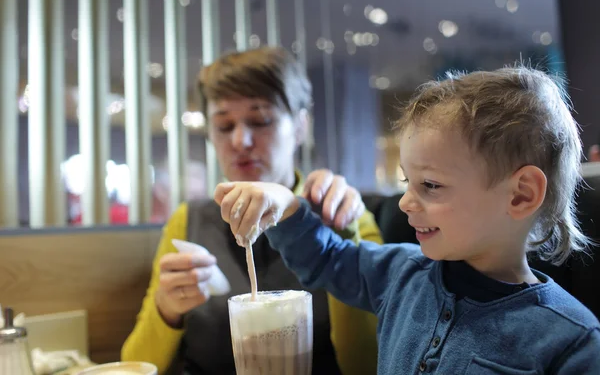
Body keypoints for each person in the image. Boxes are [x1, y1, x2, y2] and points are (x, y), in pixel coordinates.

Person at [215, 67, 600, 373]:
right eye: (407, 182)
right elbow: (327, 259)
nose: (404, 204)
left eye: (430, 185)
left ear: (521, 195)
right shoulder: (401, 274)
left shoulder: (571, 340)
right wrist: (286, 204)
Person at [122, 47, 382, 374]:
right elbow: (133, 363)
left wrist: (341, 241)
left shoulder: (341, 213)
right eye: (224, 126)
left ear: (301, 127)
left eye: (261, 120)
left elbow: (369, 363)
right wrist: (166, 309)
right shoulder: (190, 221)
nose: (241, 140)